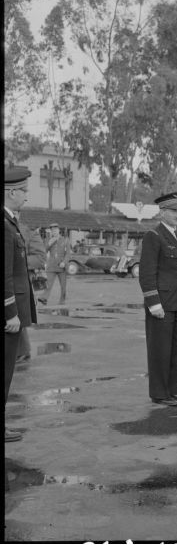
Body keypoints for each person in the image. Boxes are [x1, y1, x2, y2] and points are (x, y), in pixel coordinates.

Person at [139, 192, 177, 407]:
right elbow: (147, 273)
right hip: (162, 304)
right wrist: (154, 303)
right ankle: (159, 393)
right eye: (173, 211)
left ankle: (173, 390)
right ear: (162, 212)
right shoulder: (154, 235)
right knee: (160, 349)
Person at [4, 165, 37, 442]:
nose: (27, 195)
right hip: (8, 313)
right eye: (24, 190)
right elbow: (4, 273)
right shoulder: (5, 225)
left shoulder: (10, 222)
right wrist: (11, 312)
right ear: (11, 192)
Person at [14, 210, 46, 362]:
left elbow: (40, 258)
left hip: (20, 280)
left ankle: (23, 351)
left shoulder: (29, 232)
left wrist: (17, 261)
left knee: (17, 316)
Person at [39, 222, 71, 305]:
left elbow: (68, 254)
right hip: (51, 265)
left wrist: (64, 262)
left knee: (63, 286)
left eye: (55, 230)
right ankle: (44, 298)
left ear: (59, 230)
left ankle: (62, 300)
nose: (54, 232)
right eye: (52, 230)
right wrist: (49, 243)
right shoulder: (48, 240)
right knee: (48, 283)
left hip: (62, 266)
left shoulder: (65, 240)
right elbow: (44, 250)